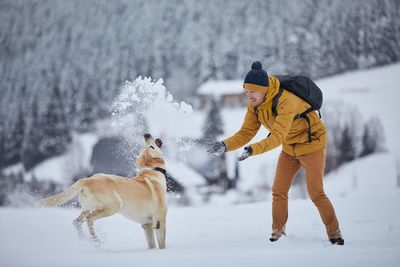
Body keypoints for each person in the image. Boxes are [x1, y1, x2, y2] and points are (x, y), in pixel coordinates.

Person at [207, 61, 344, 245]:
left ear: (264, 89)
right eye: (246, 91)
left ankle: (334, 234)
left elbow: (277, 137)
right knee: (278, 191)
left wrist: (252, 149)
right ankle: (277, 232)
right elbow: (246, 133)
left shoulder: (287, 101)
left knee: (316, 193)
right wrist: (224, 146)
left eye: (252, 91)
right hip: (290, 148)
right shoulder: (255, 106)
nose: (249, 96)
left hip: (312, 145)